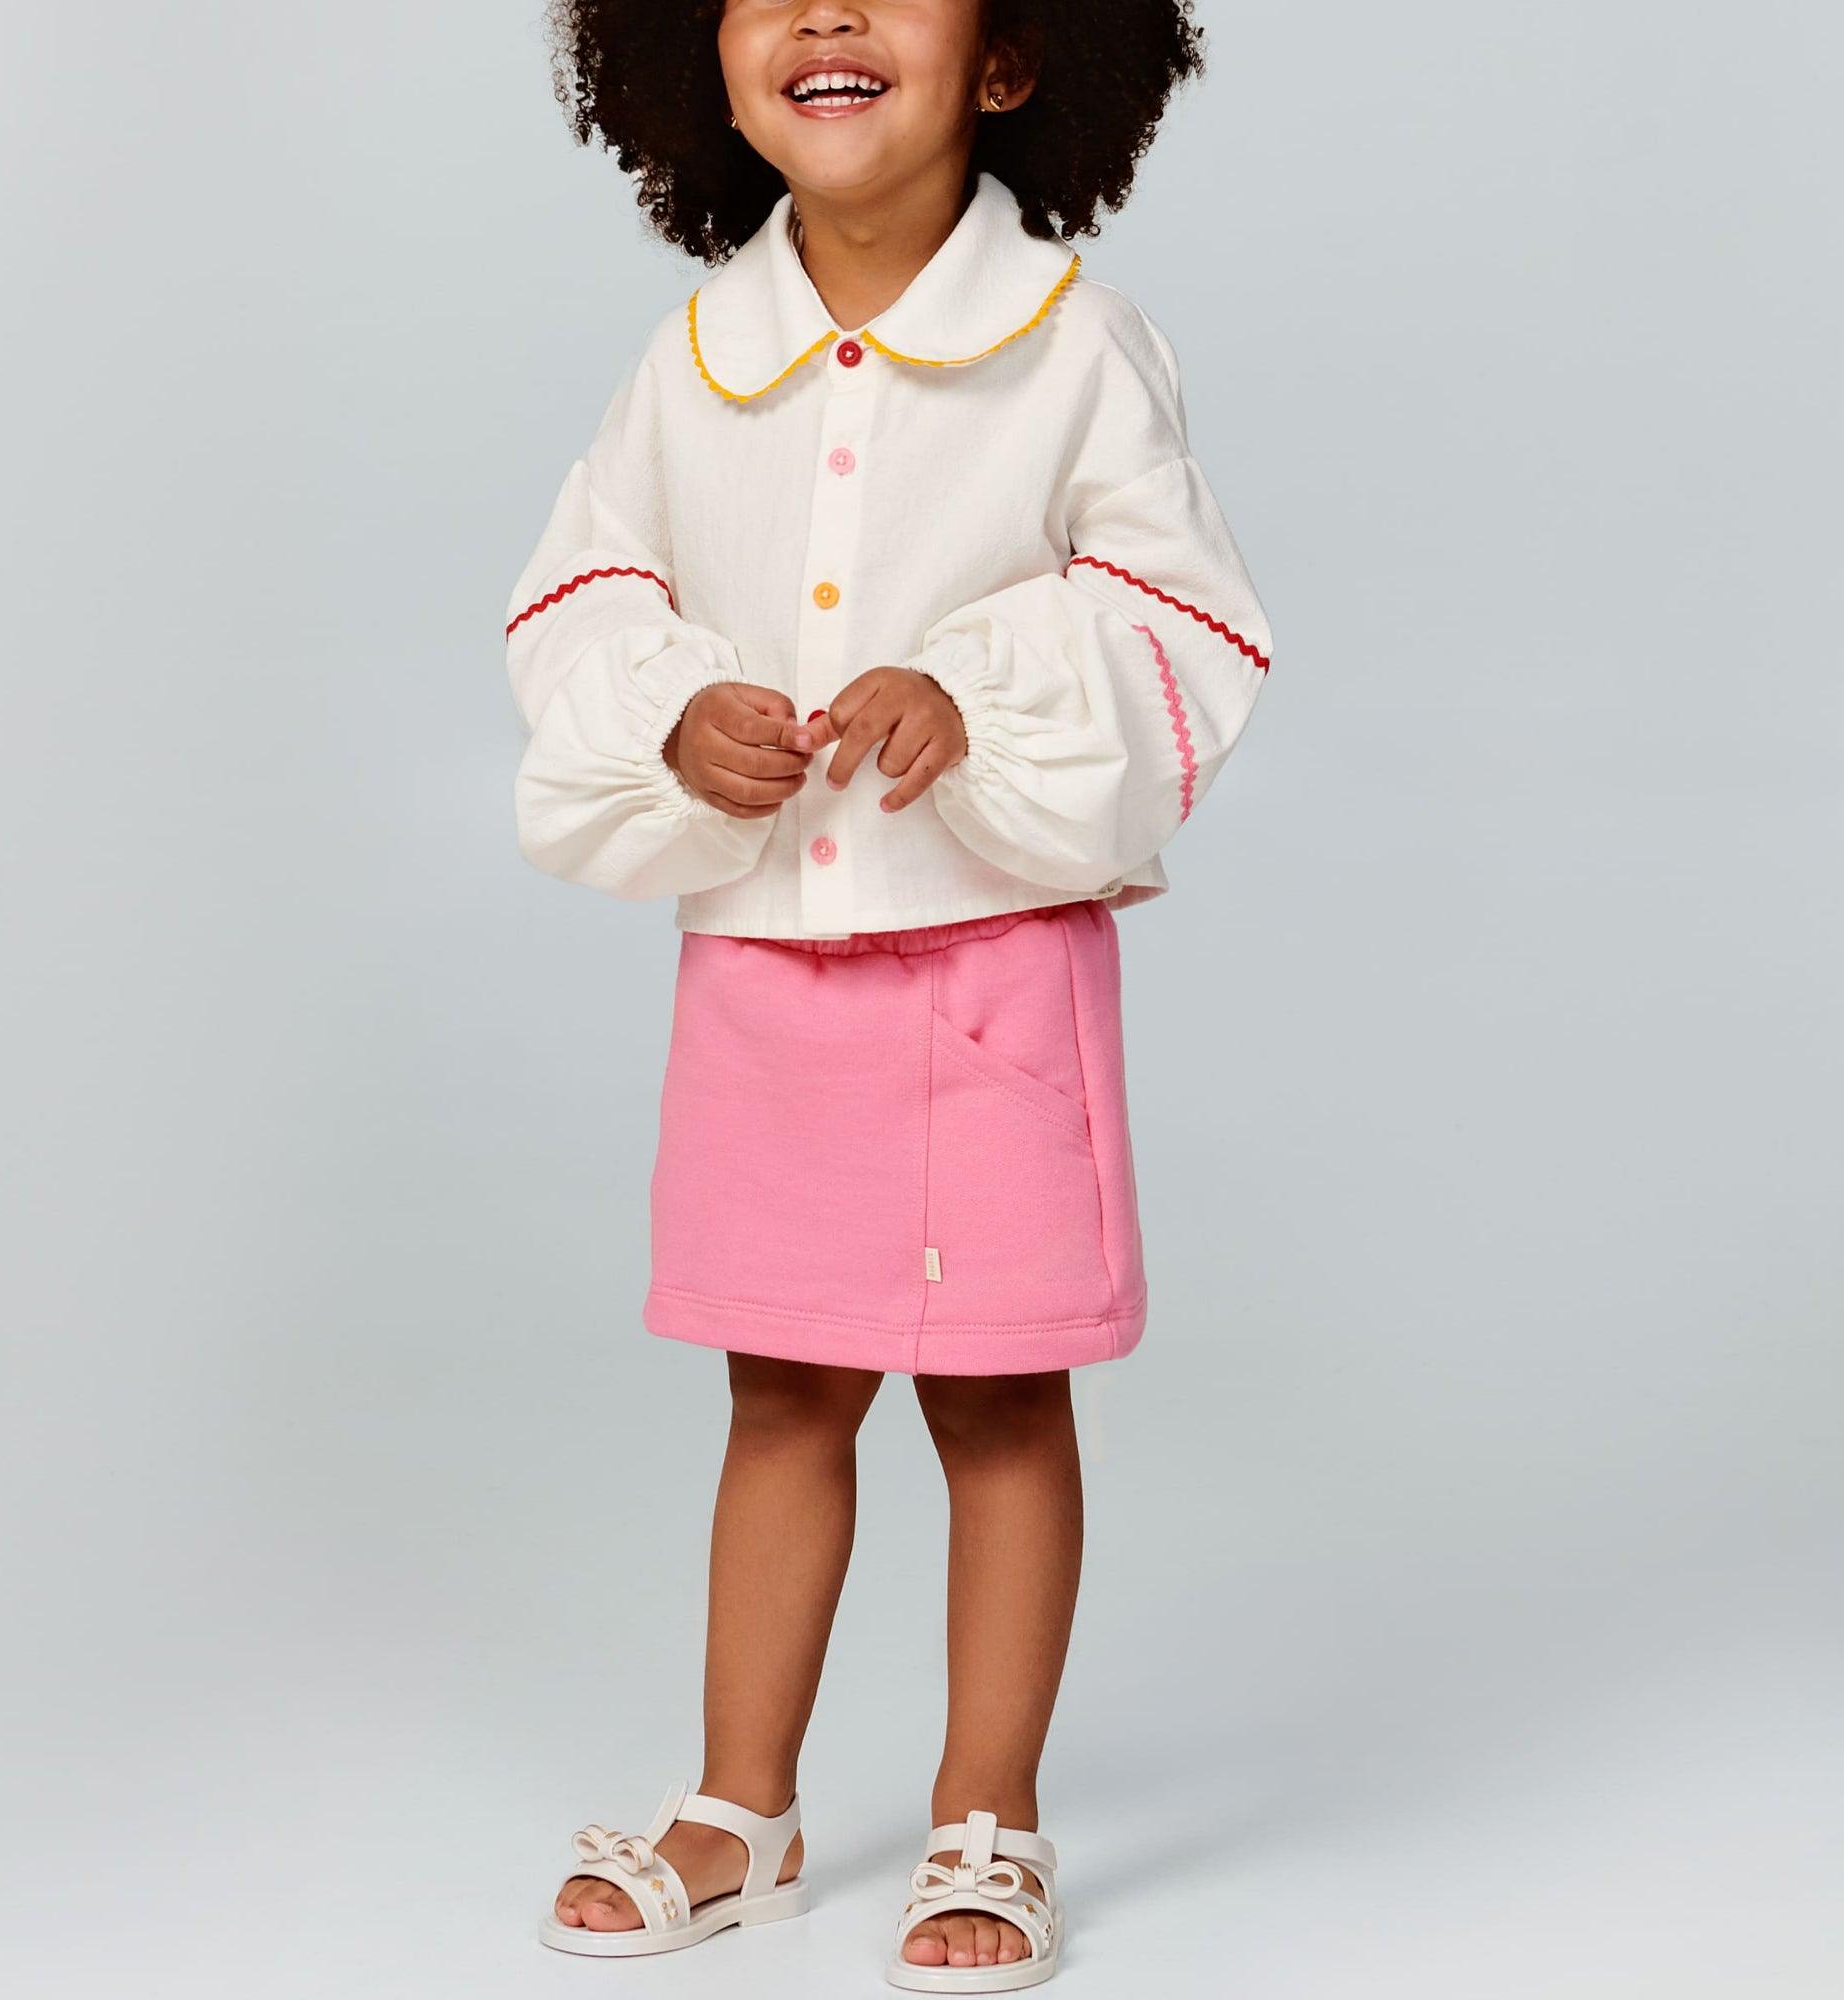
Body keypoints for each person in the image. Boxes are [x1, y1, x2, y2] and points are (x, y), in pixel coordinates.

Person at [506, 2, 1271, 1986]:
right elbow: (585, 594)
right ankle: (739, 1805)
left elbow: (1180, 610)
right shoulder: (691, 364)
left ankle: (986, 1815)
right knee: (780, 1383)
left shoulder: (1076, 347)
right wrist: (675, 715)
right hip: (766, 970)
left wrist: (981, 689)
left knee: (1000, 1395)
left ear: (1012, 59)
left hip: (994, 964)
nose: (829, 10)